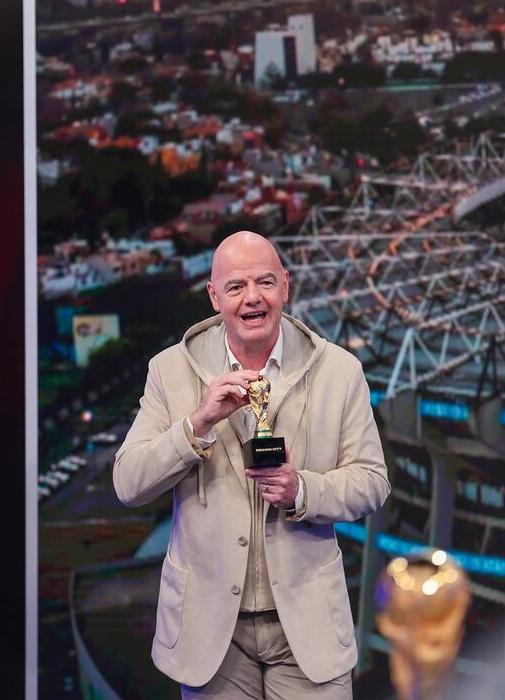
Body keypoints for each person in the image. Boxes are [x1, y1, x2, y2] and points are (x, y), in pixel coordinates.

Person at [114, 231, 390, 699]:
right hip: (211, 633)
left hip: (307, 625)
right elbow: (128, 483)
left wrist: (302, 491)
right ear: (214, 295)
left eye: (265, 282)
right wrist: (196, 425)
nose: (252, 298)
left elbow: (372, 482)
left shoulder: (340, 371)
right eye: (237, 286)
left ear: (286, 286)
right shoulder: (169, 370)